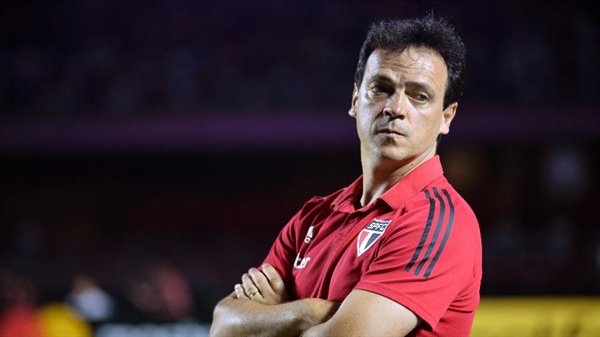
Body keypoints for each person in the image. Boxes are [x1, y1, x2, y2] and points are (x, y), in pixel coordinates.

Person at [210, 14, 482, 337]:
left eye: (418, 96)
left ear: (446, 118)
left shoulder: (438, 223)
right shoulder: (313, 217)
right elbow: (223, 325)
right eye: (381, 88)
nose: (396, 107)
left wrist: (273, 316)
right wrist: (309, 313)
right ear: (355, 100)